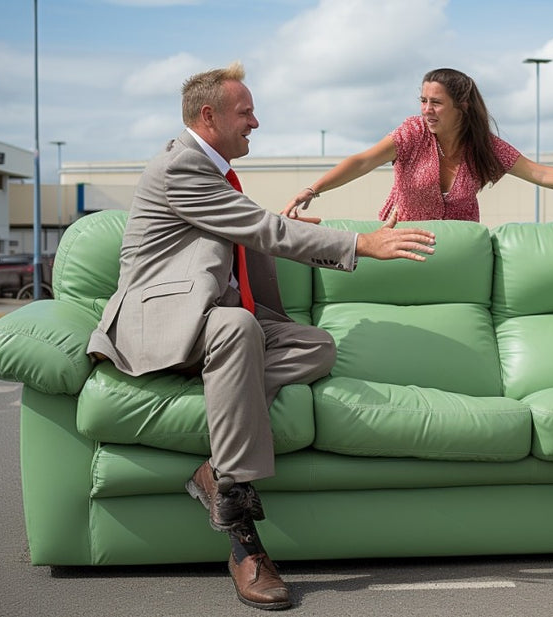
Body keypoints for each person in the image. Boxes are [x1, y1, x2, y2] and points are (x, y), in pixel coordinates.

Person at [86, 62, 435, 611]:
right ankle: (243, 536)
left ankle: (214, 468)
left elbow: (251, 229)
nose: (256, 121)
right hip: (163, 326)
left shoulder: (215, 173)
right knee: (236, 325)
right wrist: (360, 245)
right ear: (210, 116)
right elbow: (262, 229)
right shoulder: (181, 167)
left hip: (216, 325)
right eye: (245, 112)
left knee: (316, 345)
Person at [281, 67, 553, 222]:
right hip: (403, 242)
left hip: (458, 250)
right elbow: (363, 161)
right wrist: (314, 188)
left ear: (463, 105)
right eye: (423, 100)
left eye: (437, 103)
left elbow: (539, 173)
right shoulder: (412, 134)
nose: (426, 109)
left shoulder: (483, 145)